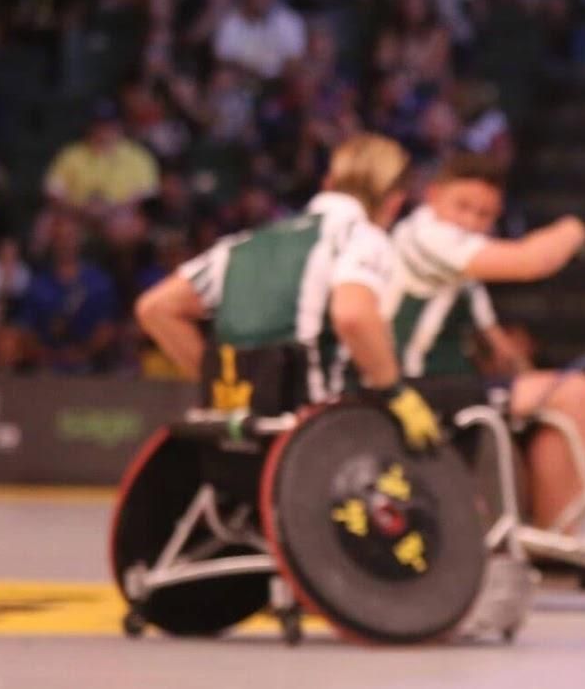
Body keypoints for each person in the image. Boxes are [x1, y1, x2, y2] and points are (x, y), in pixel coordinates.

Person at [134, 133, 442, 452]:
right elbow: (353, 315)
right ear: (394, 202)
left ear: (329, 182)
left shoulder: (240, 245)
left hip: (239, 440)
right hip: (322, 438)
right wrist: (395, 392)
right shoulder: (361, 237)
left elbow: (155, 309)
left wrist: (227, 382)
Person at [387, 152, 585, 530]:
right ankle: (555, 540)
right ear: (432, 195)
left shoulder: (459, 264)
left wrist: (531, 375)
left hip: (449, 385)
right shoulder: (426, 235)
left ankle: (544, 530)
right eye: (463, 207)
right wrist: (576, 227)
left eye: (485, 215)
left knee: (558, 397)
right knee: (578, 395)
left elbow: (498, 349)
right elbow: (530, 261)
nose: (472, 222)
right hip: (414, 388)